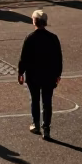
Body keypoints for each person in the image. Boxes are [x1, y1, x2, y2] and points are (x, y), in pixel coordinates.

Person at [17, 9, 63, 140]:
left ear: (34, 22)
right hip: (49, 75)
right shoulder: (53, 38)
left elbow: (23, 58)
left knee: (35, 99)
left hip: (33, 75)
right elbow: (58, 58)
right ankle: (46, 128)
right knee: (47, 102)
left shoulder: (30, 38)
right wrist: (58, 74)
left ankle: (36, 124)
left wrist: (20, 72)